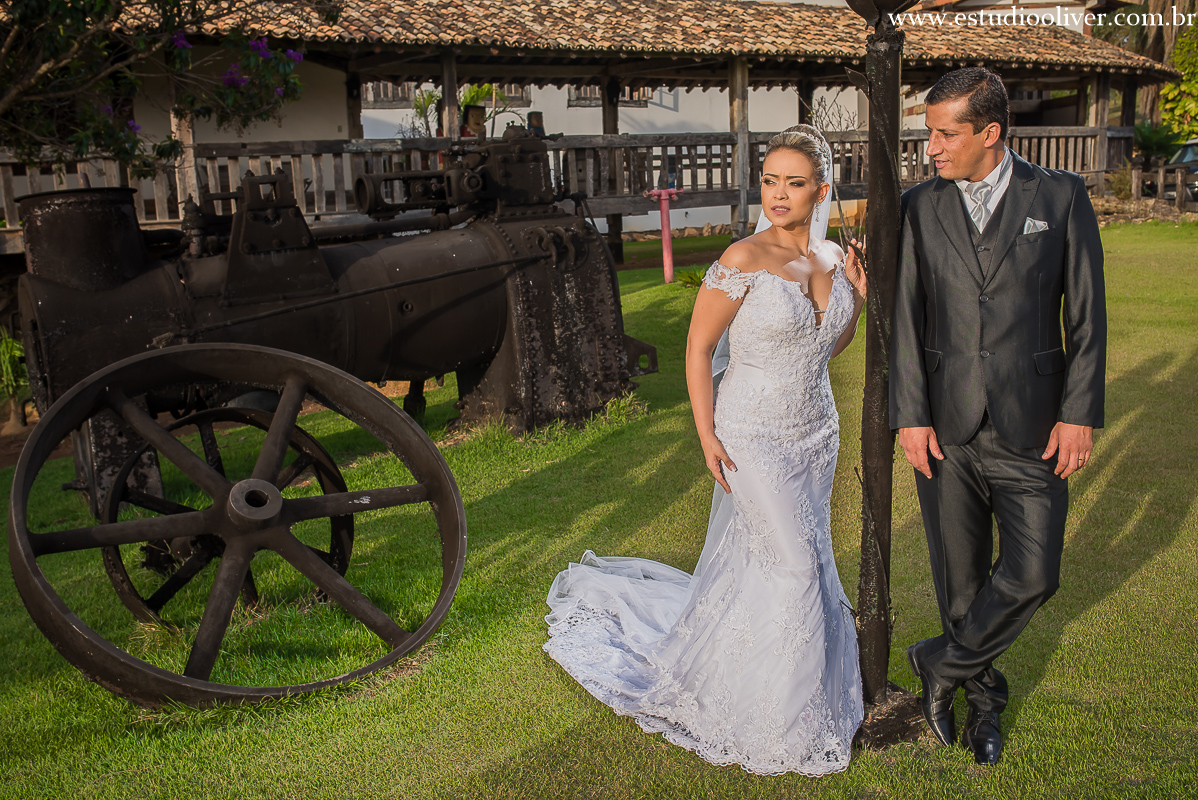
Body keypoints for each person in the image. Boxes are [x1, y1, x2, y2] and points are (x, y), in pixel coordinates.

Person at [543, 125, 868, 776]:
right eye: (769, 181)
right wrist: (706, 434)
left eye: (794, 183)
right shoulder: (742, 258)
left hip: (816, 434)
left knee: (797, 561)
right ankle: (781, 723)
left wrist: (857, 299)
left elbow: (825, 346)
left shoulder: (830, 259)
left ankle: (788, 686)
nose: (778, 194)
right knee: (797, 566)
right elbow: (698, 348)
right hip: (751, 436)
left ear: (821, 190)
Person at [891, 67, 1106, 766]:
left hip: (1035, 424)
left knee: (1035, 574)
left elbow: (1087, 315)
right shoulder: (918, 206)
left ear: (990, 132)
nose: (932, 148)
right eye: (929, 134)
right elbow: (906, 318)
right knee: (961, 586)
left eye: (945, 134)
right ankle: (984, 707)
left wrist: (1078, 413)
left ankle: (939, 663)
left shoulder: (1061, 196)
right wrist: (910, 415)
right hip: (944, 426)